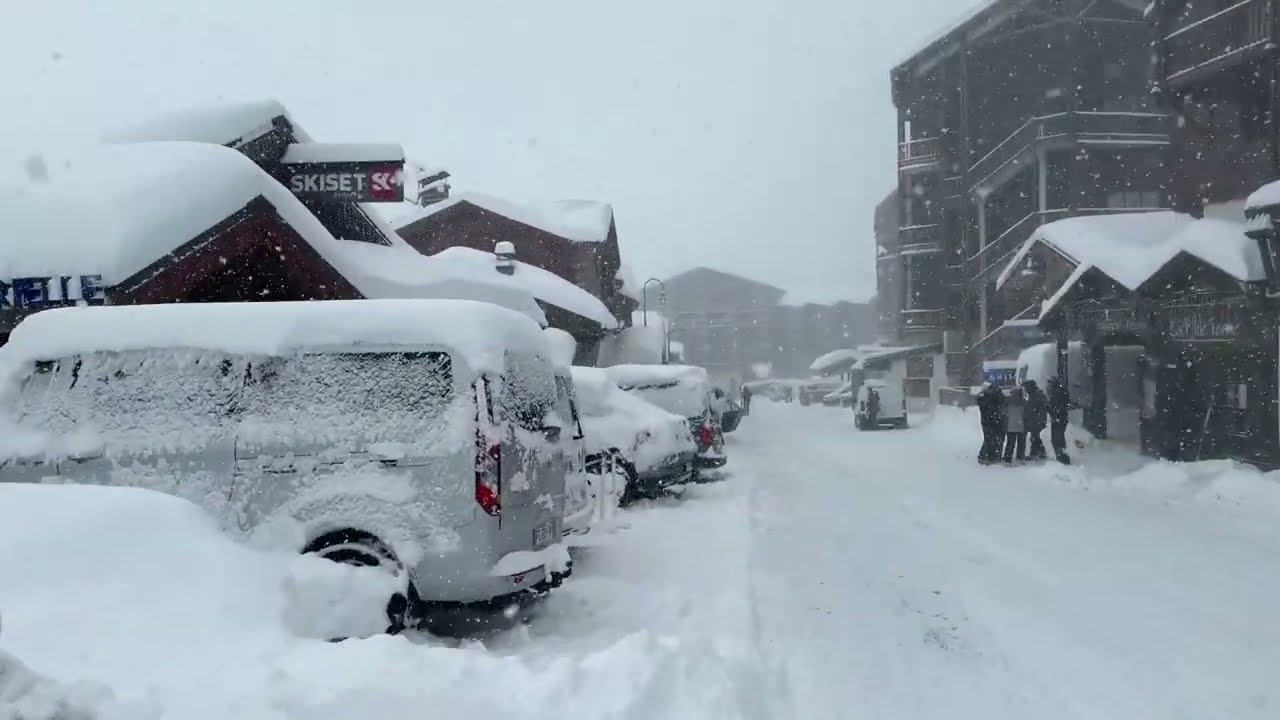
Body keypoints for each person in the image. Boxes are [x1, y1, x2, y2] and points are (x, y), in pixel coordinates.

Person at [975, 382, 1006, 464]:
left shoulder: (984, 397)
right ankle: (993, 456)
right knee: (996, 439)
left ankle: (984, 456)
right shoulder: (998, 396)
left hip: (986, 420)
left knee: (988, 438)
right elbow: (1002, 403)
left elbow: (979, 401)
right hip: (997, 420)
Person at [1046, 376, 1071, 464]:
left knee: (1057, 439)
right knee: (1058, 439)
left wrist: (1051, 411)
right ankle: (1062, 457)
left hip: (1058, 418)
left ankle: (1063, 459)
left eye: (1050, 383)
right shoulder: (1061, 391)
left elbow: (1057, 407)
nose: (1048, 385)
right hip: (1060, 418)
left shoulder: (1057, 393)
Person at [1023, 379, 1048, 461]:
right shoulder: (1037, 394)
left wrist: (1025, 404)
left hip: (1037, 420)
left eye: (1026, 388)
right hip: (1038, 419)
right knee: (1035, 436)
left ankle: (1034, 453)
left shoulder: (1035, 395)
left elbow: (1031, 407)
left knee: (1034, 437)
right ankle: (1041, 452)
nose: (1025, 390)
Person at [1003, 385, 1027, 463]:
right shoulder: (1024, 403)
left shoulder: (1008, 402)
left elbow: (1004, 413)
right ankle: (1020, 457)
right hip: (1021, 426)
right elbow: (1026, 415)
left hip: (1011, 426)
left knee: (1010, 443)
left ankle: (1008, 457)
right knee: (1021, 443)